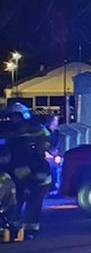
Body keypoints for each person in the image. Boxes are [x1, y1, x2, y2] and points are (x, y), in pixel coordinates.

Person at [3, 103, 55, 240]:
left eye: (16, 117)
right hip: (19, 173)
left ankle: (30, 230)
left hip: (38, 174)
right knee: (15, 202)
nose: (14, 120)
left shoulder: (36, 129)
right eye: (11, 117)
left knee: (34, 203)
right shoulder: (9, 134)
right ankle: (13, 228)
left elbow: (48, 144)